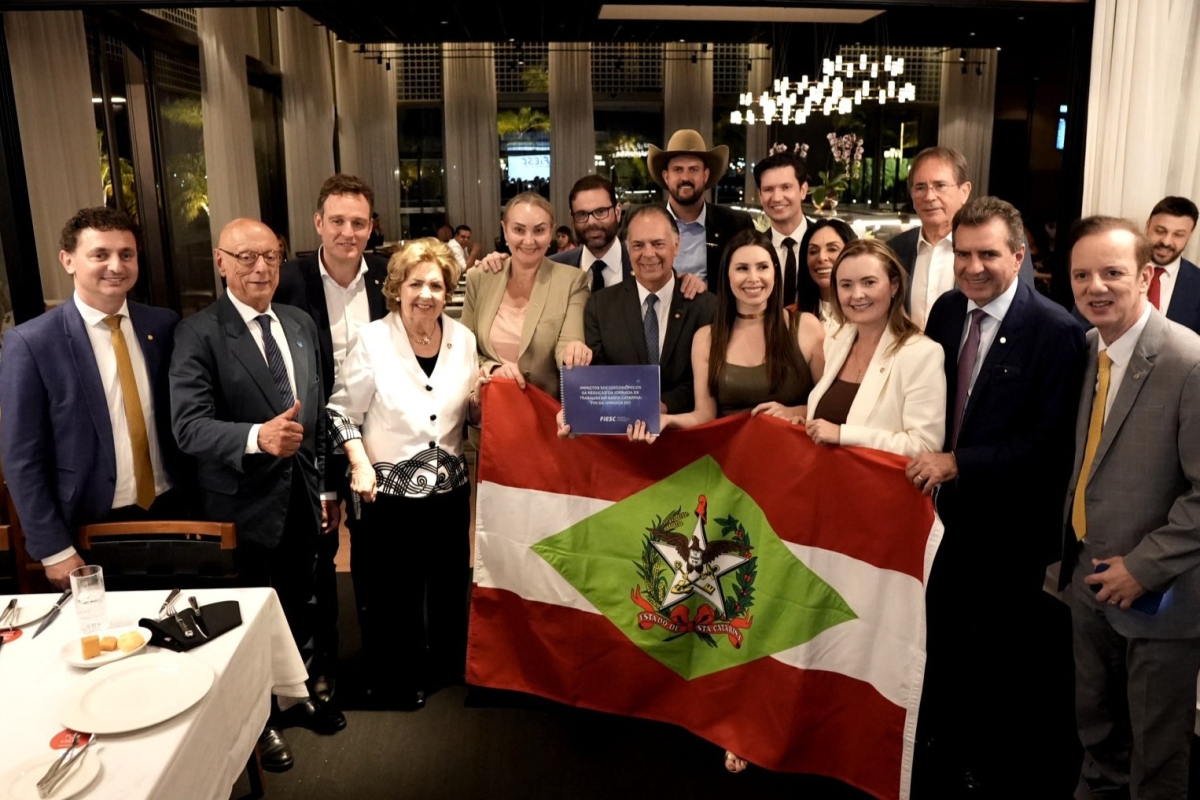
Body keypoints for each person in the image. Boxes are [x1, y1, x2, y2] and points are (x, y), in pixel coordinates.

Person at [905, 197, 1086, 796]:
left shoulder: (1057, 331)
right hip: (938, 518)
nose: (973, 266)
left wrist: (960, 463)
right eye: (963, 254)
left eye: (988, 254)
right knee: (941, 640)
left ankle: (982, 766)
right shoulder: (947, 310)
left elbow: (1049, 444)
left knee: (998, 654)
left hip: (1007, 528)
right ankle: (938, 747)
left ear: (1019, 253)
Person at [169, 218, 345, 771]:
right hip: (239, 506)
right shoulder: (197, 333)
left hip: (301, 496)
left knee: (297, 602)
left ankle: (294, 694)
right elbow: (188, 426)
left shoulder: (297, 322)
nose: (260, 268)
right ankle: (258, 720)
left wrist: (322, 486)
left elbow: (315, 418)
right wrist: (256, 437)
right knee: (245, 619)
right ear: (220, 262)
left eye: (269, 256)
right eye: (244, 258)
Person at [1063, 216, 1200, 800]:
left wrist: (1141, 569)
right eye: (1082, 274)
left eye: (1113, 272)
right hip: (1086, 584)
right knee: (1099, 740)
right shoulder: (1089, 349)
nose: (1096, 286)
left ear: (1146, 276)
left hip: (1158, 599)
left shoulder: (1187, 360)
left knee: (1156, 761)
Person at [326, 238, 480, 711]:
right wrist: (358, 463)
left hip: (449, 491)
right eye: (416, 283)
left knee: (450, 584)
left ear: (449, 289)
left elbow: (468, 411)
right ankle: (398, 675)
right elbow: (339, 412)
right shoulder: (373, 339)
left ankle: (445, 667)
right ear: (397, 288)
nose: (426, 294)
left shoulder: (464, 339)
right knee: (395, 593)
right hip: (386, 495)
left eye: (436, 284)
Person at [0, 207, 180, 589]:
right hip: (87, 529)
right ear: (68, 261)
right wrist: (54, 549)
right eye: (100, 254)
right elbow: (21, 457)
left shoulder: (163, 325)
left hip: (170, 513)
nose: (116, 265)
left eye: (126, 254)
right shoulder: (31, 344)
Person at [274, 173, 389, 706]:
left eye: (358, 223)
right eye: (337, 221)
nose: (348, 232)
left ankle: (380, 657)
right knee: (318, 556)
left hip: (378, 441)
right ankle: (319, 668)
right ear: (318, 223)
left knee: (376, 554)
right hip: (311, 441)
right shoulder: (287, 282)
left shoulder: (390, 278)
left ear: (372, 228)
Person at [630, 228, 824, 439]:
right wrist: (668, 420)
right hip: (729, 463)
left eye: (762, 267)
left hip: (796, 458)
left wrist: (794, 412)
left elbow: (830, 406)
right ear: (727, 275)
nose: (753, 278)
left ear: (775, 273)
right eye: (742, 268)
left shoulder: (807, 327)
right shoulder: (706, 339)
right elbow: (705, 415)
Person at [805, 239, 945, 458]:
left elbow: (925, 446)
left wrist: (845, 435)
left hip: (882, 489)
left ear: (894, 285)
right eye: (846, 285)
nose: (857, 294)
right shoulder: (836, 340)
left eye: (869, 282)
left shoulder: (922, 353)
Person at [577, 205, 717, 419]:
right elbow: (598, 376)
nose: (648, 254)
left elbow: (708, 381)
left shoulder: (705, 307)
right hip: (621, 434)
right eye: (638, 245)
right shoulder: (600, 306)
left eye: (658, 244)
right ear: (628, 248)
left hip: (685, 436)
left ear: (676, 245)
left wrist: (663, 405)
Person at [460, 192, 592, 397]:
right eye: (519, 230)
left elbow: (568, 343)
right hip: (489, 411)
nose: (529, 241)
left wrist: (573, 353)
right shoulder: (480, 277)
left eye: (539, 230)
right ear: (505, 230)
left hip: (545, 413)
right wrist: (493, 369)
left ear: (551, 232)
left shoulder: (572, 281)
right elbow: (463, 349)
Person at [886, 146, 1034, 329]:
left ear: (964, 191)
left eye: (940, 186)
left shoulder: (1002, 245)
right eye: (920, 187)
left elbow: (1023, 313)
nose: (929, 196)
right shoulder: (894, 250)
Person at [647, 128, 754, 284]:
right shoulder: (645, 222)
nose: (685, 177)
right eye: (678, 170)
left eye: (694, 169)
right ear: (666, 176)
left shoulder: (736, 225)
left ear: (705, 175)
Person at [549, 175, 632, 289]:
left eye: (601, 211)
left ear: (617, 212)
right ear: (572, 219)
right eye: (582, 214)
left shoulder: (641, 263)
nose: (591, 222)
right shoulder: (554, 269)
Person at [752, 150, 812, 308]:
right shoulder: (754, 249)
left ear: (803, 190)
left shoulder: (825, 240)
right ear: (760, 195)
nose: (777, 197)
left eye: (786, 187)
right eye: (768, 189)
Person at [1143, 195, 1200, 334]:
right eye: (1160, 231)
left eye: (1178, 234)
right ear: (1147, 226)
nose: (1166, 242)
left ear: (1190, 235)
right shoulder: (1115, 270)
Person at [797, 218, 858, 331]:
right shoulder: (791, 317)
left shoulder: (870, 314)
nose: (821, 257)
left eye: (832, 249)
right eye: (813, 251)